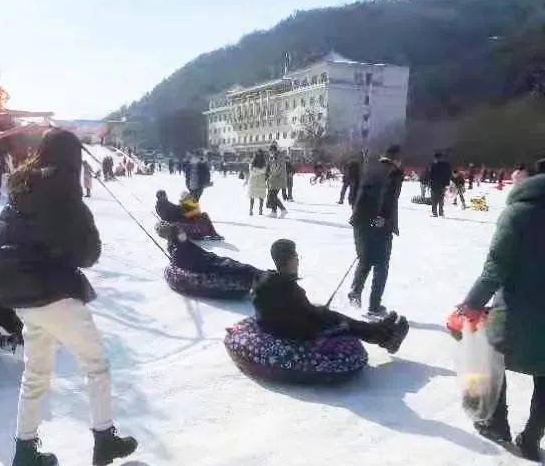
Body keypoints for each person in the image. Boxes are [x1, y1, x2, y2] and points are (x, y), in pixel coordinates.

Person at [0, 129, 137, 466]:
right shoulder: (65, 194)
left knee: (36, 372)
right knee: (95, 362)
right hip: (51, 291)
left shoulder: (21, 189)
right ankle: (105, 439)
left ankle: (24, 451)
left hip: (17, 294)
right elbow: (88, 254)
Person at [459, 174, 545, 461]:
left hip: (517, 312)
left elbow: (496, 267)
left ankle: (495, 423)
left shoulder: (517, 214)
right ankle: (532, 438)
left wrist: (472, 303)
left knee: (491, 355)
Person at [254, 240, 407, 352]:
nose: (297, 259)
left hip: (288, 324)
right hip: (295, 332)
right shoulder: (286, 287)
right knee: (344, 325)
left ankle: (380, 330)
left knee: (331, 315)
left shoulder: (271, 281)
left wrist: (317, 312)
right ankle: (386, 338)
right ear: (288, 260)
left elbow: (293, 310)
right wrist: (318, 315)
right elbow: (298, 315)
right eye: (295, 256)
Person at [348, 145, 404, 317]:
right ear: (396, 158)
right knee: (381, 265)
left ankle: (355, 291)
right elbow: (387, 196)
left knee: (365, 258)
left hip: (360, 221)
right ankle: (374, 306)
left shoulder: (368, 168)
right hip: (379, 224)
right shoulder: (393, 173)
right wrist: (381, 219)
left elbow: (353, 193)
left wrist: (362, 217)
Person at [167, 226, 258, 284]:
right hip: (206, 265)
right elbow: (191, 263)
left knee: (234, 264)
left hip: (209, 259)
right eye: (180, 233)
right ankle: (256, 277)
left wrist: (210, 256)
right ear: (175, 236)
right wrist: (207, 261)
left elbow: (200, 252)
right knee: (233, 268)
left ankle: (258, 274)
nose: (183, 234)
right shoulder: (177, 250)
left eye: (183, 232)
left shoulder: (185, 243)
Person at [265, 147, 288, 218]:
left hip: (278, 180)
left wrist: (271, 176)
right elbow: (272, 168)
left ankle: (283, 209)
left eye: (271, 151)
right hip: (274, 180)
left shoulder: (279, 157)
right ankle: (274, 212)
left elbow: (278, 169)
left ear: (274, 151)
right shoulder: (273, 158)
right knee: (272, 196)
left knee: (273, 196)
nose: (270, 153)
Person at [428, 151, 452, 217]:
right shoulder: (446, 165)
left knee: (434, 199)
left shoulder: (434, 165)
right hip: (443, 185)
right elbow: (449, 174)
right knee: (441, 199)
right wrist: (447, 183)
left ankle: (435, 213)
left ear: (435, 158)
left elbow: (431, 175)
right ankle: (441, 212)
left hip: (435, 185)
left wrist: (430, 183)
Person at [247, 150, 268, 216]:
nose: (259, 155)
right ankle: (251, 209)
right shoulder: (253, 162)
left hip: (257, 180)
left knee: (260, 196)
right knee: (253, 196)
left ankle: (260, 210)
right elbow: (251, 172)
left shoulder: (263, 162)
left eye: (260, 154)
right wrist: (260, 172)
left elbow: (264, 171)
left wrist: (255, 170)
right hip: (257, 180)